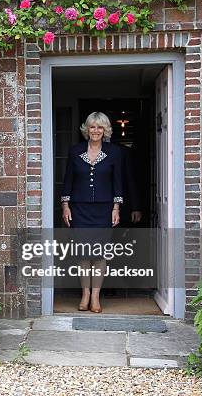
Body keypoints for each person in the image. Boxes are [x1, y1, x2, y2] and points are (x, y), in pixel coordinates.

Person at [60, 112, 123, 313]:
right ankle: (85, 294)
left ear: (105, 131)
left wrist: (116, 207)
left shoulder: (114, 153)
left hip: (104, 210)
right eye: (92, 127)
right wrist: (65, 205)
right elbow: (68, 179)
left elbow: (117, 182)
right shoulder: (75, 151)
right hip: (79, 209)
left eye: (100, 127)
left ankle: (96, 296)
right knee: (83, 254)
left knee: (99, 255)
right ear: (87, 129)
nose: (96, 131)